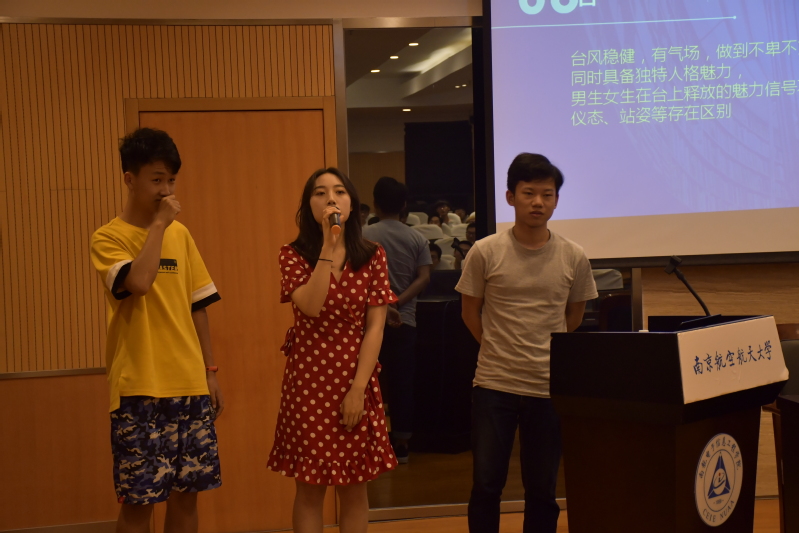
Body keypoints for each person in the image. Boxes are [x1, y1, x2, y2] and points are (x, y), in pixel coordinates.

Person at [90, 128, 224, 533]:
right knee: (139, 502)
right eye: (156, 179)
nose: (166, 190)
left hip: (190, 385)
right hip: (139, 388)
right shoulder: (107, 238)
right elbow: (139, 282)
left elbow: (198, 306)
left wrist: (210, 371)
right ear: (130, 179)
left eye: (171, 180)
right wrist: (159, 227)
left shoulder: (181, 235)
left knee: (187, 496)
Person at [456, 153, 598, 533]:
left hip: (547, 387)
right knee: (486, 485)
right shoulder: (486, 251)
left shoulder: (573, 255)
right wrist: (496, 346)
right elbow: (470, 313)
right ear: (510, 197)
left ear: (556, 200)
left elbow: (574, 317)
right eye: (529, 193)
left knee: (543, 489)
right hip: (494, 384)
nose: (538, 202)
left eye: (547, 195)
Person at [268, 168, 398, 533]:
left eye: (339, 191)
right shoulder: (293, 254)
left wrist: (358, 389)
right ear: (309, 205)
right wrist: (327, 247)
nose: (330, 199)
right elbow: (311, 306)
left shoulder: (373, 254)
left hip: (357, 378)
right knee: (310, 489)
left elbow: (375, 328)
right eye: (320, 192)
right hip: (308, 383)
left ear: (351, 204)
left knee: (354, 488)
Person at [363, 177, 432, 464]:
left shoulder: (363, 235)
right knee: (403, 382)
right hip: (405, 320)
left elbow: (357, 278)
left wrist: (382, 302)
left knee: (368, 381)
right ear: (404, 205)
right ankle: (401, 444)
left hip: (368, 322)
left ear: (375, 204)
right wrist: (397, 302)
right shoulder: (417, 238)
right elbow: (424, 277)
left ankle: (370, 441)